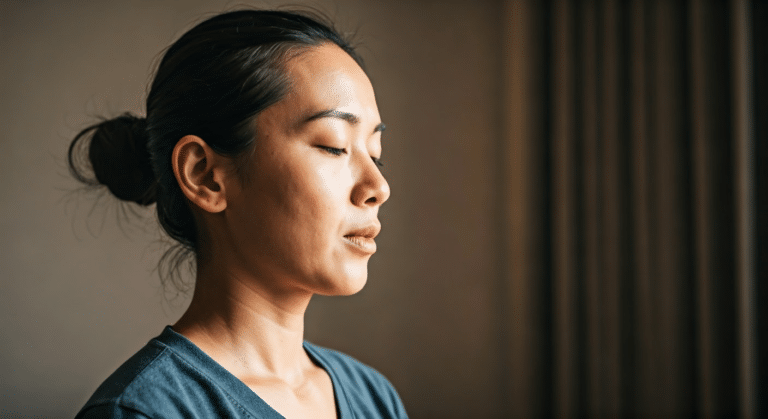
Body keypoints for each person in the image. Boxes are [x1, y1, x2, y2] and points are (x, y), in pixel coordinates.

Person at [69, 9, 407, 419]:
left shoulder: (373, 397)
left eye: (375, 154)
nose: (378, 188)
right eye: (334, 146)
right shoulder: (145, 411)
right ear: (206, 176)